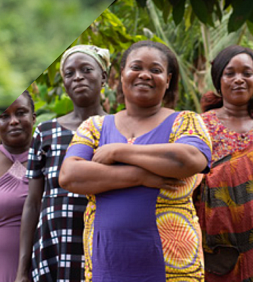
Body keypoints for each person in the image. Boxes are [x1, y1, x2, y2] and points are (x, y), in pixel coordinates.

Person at [59, 40, 212, 282]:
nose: (145, 75)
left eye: (156, 70)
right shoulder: (95, 127)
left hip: (172, 266)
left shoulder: (186, 122)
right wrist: (141, 176)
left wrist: (120, 152)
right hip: (105, 263)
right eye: (136, 67)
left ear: (168, 79)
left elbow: (189, 159)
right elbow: (70, 175)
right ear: (122, 75)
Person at [14, 45, 110, 282]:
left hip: (103, 243)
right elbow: (33, 202)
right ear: (65, 84)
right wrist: (21, 271)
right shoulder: (46, 132)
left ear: (104, 78)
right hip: (54, 244)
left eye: (87, 70)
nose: (78, 77)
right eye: (69, 73)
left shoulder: (119, 128)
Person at [196, 45, 253, 281]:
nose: (239, 80)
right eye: (230, 73)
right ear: (219, 80)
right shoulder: (198, 126)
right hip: (217, 250)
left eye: (247, 73)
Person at [0, 91, 36, 282]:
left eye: (21, 113)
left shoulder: (49, 159)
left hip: (39, 268)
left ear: (33, 117)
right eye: (4, 116)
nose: (13, 121)